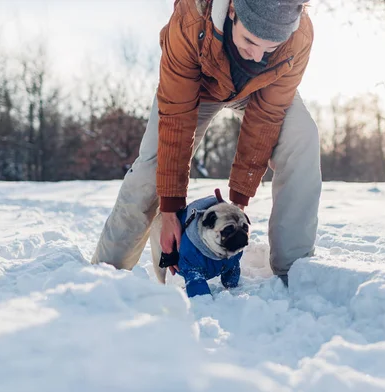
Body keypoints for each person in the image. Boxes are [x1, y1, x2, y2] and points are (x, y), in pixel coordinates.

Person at [91, 0, 322, 286]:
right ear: (233, 10)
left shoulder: (298, 36)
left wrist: (237, 201)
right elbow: (176, 122)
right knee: (152, 170)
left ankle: (294, 270)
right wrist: (171, 210)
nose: (256, 56)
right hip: (196, 85)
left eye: (270, 48)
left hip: (258, 91)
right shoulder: (191, 19)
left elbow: (266, 119)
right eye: (250, 40)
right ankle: (105, 272)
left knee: (302, 136)